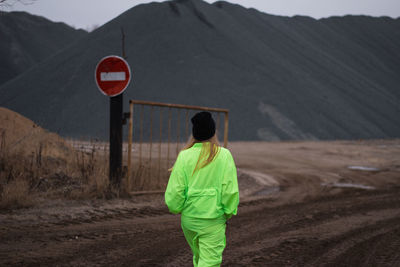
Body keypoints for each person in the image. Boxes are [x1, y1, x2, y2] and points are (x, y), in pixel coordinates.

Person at [165, 111, 239, 267]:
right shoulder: (224, 155)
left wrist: (176, 208)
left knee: (199, 258)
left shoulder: (184, 156)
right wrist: (228, 212)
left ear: (195, 133)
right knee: (209, 262)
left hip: (189, 221)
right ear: (213, 132)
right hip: (213, 219)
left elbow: (175, 190)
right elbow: (230, 190)